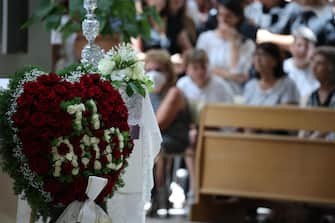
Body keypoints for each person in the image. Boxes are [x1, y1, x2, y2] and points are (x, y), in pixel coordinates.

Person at [177, 48, 233, 202]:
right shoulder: (182, 85)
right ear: (187, 69)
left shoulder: (220, 86)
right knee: (191, 143)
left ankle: (214, 189)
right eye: (195, 68)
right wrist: (192, 129)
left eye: (204, 67)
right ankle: (196, 190)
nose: (200, 72)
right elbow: (180, 116)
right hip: (190, 132)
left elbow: (229, 115)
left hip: (216, 132)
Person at [144, 49, 191, 215]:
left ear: (168, 73)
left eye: (158, 70)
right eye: (148, 70)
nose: (152, 74)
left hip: (174, 138)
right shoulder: (145, 92)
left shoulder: (174, 93)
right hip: (153, 138)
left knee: (155, 146)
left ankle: (158, 197)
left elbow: (159, 125)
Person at [196, 0, 255, 95]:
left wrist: (233, 43)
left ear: (238, 18)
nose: (223, 20)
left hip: (235, 92)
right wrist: (230, 76)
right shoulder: (205, 38)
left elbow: (239, 74)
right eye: (220, 15)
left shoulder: (248, 44)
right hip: (209, 90)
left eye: (228, 16)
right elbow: (201, 68)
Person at [304, 46, 335, 140]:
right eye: (313, 62)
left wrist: (312, 140)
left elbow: (331, 123)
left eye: (319, 63)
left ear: (331, 68)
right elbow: (306, 125)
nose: (314, 67)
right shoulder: (312, 95)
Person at [283, 26, 319, 105]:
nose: (303, 50)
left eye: (307, 46)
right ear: (291, 47)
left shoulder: (318, 68)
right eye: (299, 45)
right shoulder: (283, 67)